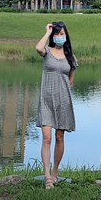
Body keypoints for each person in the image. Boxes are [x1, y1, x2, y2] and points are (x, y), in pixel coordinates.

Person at [34, 21, 77, 189]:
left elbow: (70, 81)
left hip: (63, 101)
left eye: (62, 34)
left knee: (59, 137)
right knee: (47, 138)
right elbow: (38, 48)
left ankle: (55, 173)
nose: (60, 37)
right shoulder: (47, 52)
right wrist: (47, 31)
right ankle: (46, 177)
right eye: (57, 34)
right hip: (46, 100)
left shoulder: (71, 57)